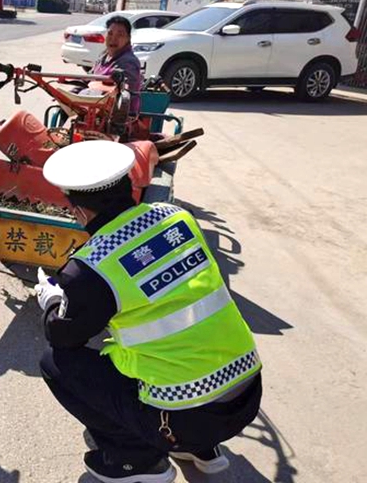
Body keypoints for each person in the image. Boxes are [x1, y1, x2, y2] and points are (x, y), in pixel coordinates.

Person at [34, 140, 262, 483]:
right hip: (247, 392)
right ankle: (200, 448)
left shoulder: (92, 267)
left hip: (187, 417)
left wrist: (51, 298)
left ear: (79, 210)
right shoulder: (177, 218)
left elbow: (62, 335)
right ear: (131, 185)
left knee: (57, 363)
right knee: (178, 350)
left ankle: (137, 460)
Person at [91, 15, 142, 116]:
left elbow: (124, 89)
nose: (113, 39)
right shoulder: (104, 56)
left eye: (120, 35)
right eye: (110, 33)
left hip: (119, 115)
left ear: (128, 38)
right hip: (96, 107)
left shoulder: (129, 61)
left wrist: (94, 86)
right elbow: (89, 78)